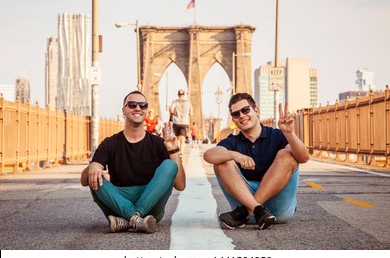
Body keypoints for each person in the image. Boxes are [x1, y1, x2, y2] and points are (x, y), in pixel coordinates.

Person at [80, 90, 185, 234]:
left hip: (151, 206)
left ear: (146, 111)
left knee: (170, 165)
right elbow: (84, 180)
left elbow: (180, 185)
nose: (138, 108)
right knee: (93, 175)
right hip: (119, 202)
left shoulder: (159, 144)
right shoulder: (110, 143)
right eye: (132, 104)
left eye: (142, 105)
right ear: (123, 110)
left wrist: (174, 151)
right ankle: (136, 221)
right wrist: (93, 166)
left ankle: (129, 219)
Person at [203, 93, 309, 230]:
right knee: (223, 159)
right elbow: (208, 155)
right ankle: (258, 210)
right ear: (234, 120)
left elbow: (303, 157)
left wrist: (289, 133)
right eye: (236, 114)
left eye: (245, 110)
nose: (241, 115)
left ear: (256, 110)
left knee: (287, 155)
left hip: (272, 210)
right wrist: (234, 155)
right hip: (249, 204)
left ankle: (248, 211)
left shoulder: (277, 135)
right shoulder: (232, 141)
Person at [169, 89, 193, 156]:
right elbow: (191, 113)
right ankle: (181, 153)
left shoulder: (175, 102)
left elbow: (171, 110)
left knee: (177, 138)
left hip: (176, 122)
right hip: (184, 122)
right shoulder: (188, 102)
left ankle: (177, 151)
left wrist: (174, 114)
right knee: (182, 138)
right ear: (184, 95)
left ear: (178, 94)